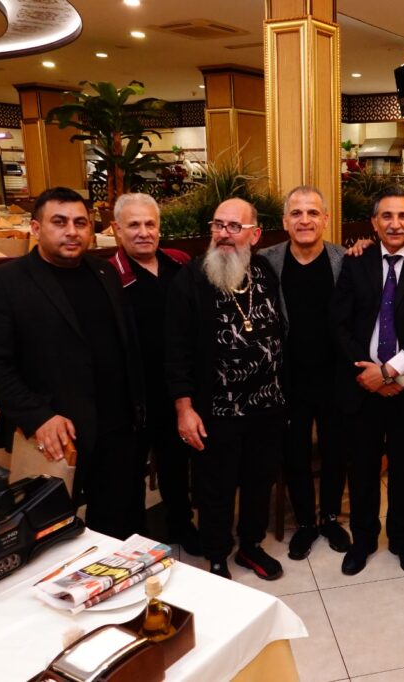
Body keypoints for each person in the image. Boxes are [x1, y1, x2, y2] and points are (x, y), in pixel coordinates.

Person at [0, 186, 146, 540]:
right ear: (36, 228)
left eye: (80, 223)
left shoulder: (104, 272)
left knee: (115, 529)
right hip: (56, 433)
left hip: (116, 428)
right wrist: (39, 417)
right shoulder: (5, 282)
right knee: (50, 534)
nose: (72, 231)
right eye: (59, 222)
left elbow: (125, 344)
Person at [164, 198, 286, 581]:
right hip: (217, 409)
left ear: (255, 234)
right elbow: (175, 349)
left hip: (266, 405)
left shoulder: (264, 270)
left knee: (258, 483)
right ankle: (217, 555)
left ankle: (250, 546)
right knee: (215, 488)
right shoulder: (191, 278)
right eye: (218, 225)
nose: (224, 234)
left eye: (234, 227)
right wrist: (184, 408)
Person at [331, 186, 404, 577]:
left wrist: (391, 370)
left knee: (403, 467)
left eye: (403, 216)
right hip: (362, 384)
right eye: (387, 216)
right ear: (374, 223)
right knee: (362, 466)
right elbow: (339, 325)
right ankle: (363, 540)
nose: (395, 224)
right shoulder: (355, 263)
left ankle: (401, 540)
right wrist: (368, 372)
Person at [259, 186, 351, 561]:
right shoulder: (266, 261)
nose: (305, 220)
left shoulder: (344, 259)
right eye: (296, 213)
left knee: (335, 449)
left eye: (313, 213)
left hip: (335, 374)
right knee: (294, 452)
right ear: (285, 221)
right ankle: (305, 523)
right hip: (288, 377)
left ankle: (329, 517)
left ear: (325, 219)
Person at [108, 192, 199, 555]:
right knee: (131, 471)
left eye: (150, 224)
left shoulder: (179, 264)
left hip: (176, 390)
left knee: (176, 464)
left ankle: (181, 525)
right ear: (117, 230)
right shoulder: (108, 275)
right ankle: (137, 540)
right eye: (134, 225)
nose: (143, 232)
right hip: (132, 396)